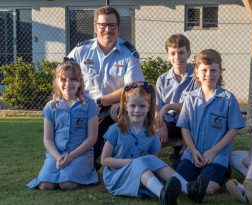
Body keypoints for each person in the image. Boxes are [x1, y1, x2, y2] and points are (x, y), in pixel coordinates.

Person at [100, 81, 207, 205]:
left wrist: (144, 165)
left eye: (142, 106)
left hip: (141, 176)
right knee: (140, 162)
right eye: (133, 105)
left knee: (149, 160)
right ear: (125, 105)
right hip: (116, 176)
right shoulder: (116, 130)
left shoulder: (151, 132)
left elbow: (154, 162)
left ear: (149, 107)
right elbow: (104, 160)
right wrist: (132, 163)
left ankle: (190, 190)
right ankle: (163, 194)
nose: (137, 110)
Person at [67, 6, 144, 170]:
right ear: (95, 27)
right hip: (87, 106)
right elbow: (64, 78)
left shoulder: (129, 53)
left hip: (115, 105)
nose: (107, 29)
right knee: (83, 164)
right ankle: (93, 159)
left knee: (127, 113)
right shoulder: (81, 51)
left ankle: (127, 159)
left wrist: (101, 101)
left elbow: (132, 87)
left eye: (112, 25)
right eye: (102, 25)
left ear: (118, 27)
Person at [175, 49, 245, 198]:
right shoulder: (190, 98)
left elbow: (233, 129)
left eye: (213, 70)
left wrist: (213, 152)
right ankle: (193, 183)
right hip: (192, 154)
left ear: (220, 71)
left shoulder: (228, 99)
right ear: (197, 72)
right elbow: (185, 127)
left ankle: (219, 173)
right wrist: (193, 151)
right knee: (178, 181)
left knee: (208, 189)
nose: (209, 74)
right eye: (204, 70)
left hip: (216, 156)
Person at [27, 59, 99, 190]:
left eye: (73, 79)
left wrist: (71, 157)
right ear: (57, 82)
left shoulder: (89, 105)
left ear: (80, 82)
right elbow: (48, 139)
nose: (68, 83)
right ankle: (57, 172)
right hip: (56, 154)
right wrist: (58, 157)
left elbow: (92, 138)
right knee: (45, 185)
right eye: (63, 79)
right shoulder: (51, 106)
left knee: (66, 184)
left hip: (80, 155)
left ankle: (82, 173)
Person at [155, 34, 196, 169]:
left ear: (189, 53)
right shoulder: (162, 79)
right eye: (173, 53)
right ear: (167, 55)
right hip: (168, 122)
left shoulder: (197, 77)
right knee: (153, 135)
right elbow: (157, 108)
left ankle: (183, 157)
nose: (177, 57)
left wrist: (168, 106)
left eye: (181, 53)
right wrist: (161, 125)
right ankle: (153, 166)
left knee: (187, 118)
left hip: (189, 124)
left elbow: (193, 106)